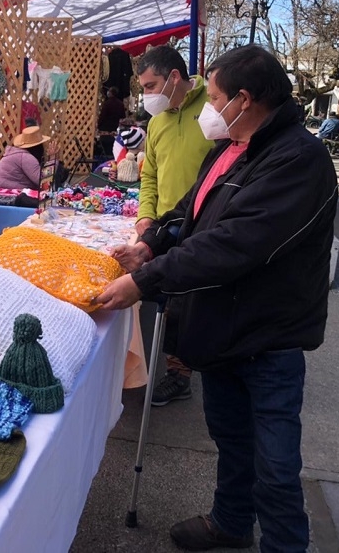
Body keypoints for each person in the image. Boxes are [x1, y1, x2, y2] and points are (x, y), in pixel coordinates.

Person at [93, 44, 338, 552]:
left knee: (275, 466)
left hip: (268, 335)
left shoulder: (299, 160)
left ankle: (284, 545)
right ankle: (230, 522)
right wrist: (149, 243)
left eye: (217, 96)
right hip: (224, 327)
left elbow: (232, 244)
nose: (210, 106)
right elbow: (192, 212)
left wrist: (145, 281)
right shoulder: (231, 147)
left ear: (244, 100)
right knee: (230, 439)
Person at [135, 45, 214, 406]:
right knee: (162, 294)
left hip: (204, 224)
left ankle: (180, 375)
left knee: (187, 301)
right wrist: (145, 216)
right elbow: (148, 174)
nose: (146, 95)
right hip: (164, 225)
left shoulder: (212, 114)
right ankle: (160, 363)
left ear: (174, 78)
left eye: (151, 86)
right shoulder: (156, 122)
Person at [0, 125, 51, 191]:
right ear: (39, 147)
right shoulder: (26, 158)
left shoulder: (17, 154)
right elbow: (43, 180)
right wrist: (52, 159)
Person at [98, 87, 127, 160]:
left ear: (111, 93)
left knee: (105, 145)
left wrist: (99, 125)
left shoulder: (107, 103)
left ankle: (105, 158)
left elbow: (102, 116)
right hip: (115, 128)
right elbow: (123, 116)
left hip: (105, 128)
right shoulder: (120, 104)